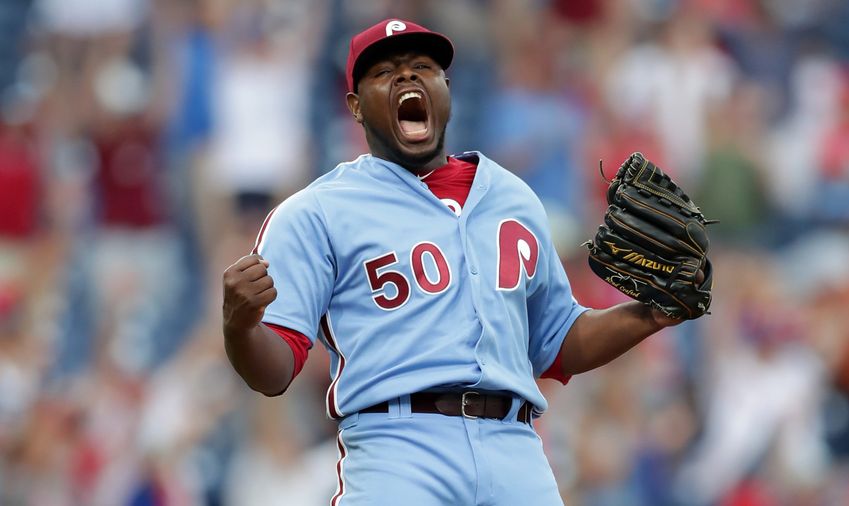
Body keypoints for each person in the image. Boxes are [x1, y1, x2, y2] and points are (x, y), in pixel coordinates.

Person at [222, 18, 687, 505]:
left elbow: (558, 343)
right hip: (397, 448)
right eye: (385, 72)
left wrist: (649, 314)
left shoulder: (513, 197)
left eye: (422, 66)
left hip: (516, 448)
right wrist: (239, 327)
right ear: (355, 108)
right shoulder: (315, 213)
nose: (407, 77)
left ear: (447, 87)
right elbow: (271, 374)